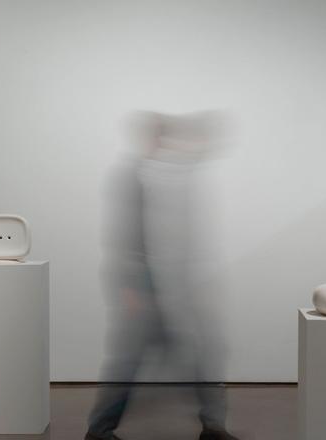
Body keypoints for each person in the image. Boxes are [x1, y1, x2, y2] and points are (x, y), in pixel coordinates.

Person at [85, 111, 237, 440]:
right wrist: (130, 289)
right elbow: (124, 235)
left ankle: (213, 426)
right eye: (164, 137)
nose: (168, 144)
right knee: (131, 363)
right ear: (153, 139)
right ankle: (99, 431)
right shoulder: (131, 176)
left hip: (158, 285)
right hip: (141, 285)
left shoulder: (151, 173)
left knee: (199, 354)